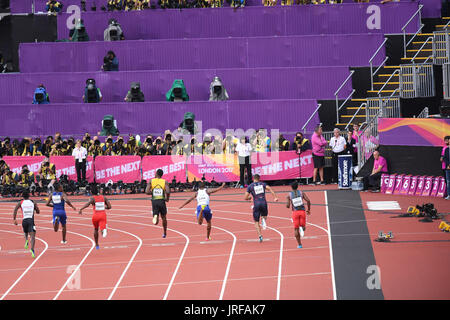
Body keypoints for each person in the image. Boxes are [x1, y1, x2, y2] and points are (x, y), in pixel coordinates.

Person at [244, 174, 278, 242]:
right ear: (259, 178)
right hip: (263, 203)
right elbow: (270, 189)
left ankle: (260, 236)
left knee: (256, 222)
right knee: (264, 216)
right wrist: (275, 197)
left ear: (253, 178)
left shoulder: (250, 186)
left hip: (256, 204)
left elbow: (245, 197)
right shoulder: (263, 184)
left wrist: (249, 198)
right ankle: (263, 219)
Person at [78, 185, 112, 249]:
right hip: (102, 215)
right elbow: (110, 207)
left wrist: (81, 209)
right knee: (103, 227)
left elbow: (87, 204)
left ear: (91, 192)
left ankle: (96, 245)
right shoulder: (104, 198)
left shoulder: (92, 198)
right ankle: (103, 230)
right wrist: (105, 207)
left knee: (96, 229)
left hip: (95, 216)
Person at [13, 191, 40, 258]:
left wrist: (14, 219)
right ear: (29, 196)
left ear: (23, 197)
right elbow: (38, 212)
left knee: (25, 232)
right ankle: (32, 250)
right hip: (31, 221)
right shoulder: (33, 202)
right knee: (33, 236)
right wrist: (35, 209)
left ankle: (26, 240)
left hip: (24, 221)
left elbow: (15, 209)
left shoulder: (20, 202)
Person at [145, 169, 170, 238]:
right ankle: (164, 232)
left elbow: (147, 192)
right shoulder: (165, 182)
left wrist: (153, 193)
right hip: (162, 201)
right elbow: (167, 192)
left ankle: (155, 216)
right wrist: (167, 198)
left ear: (156, 174)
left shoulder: (151, 181)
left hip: (154, 201)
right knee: (164, 217)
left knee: (155, 221)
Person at [286, 181, 311, 248]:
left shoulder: (289, 195)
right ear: (297, 186)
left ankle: (299, 245)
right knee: (303, 227)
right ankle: (302, 227)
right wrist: (308, 209)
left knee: (295, 229)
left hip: (295, 213)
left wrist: (288, 200)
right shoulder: (301, 193)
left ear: (291, 187)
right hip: (302, 212)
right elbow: (308, 200)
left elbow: (288, 206)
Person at [442, 136, 450, 200]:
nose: (447, 141)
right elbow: (444, 157)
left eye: (448, 140)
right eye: (446, 140)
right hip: (446, 167)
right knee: (448, 181)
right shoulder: (446, 149)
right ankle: (448, 194)